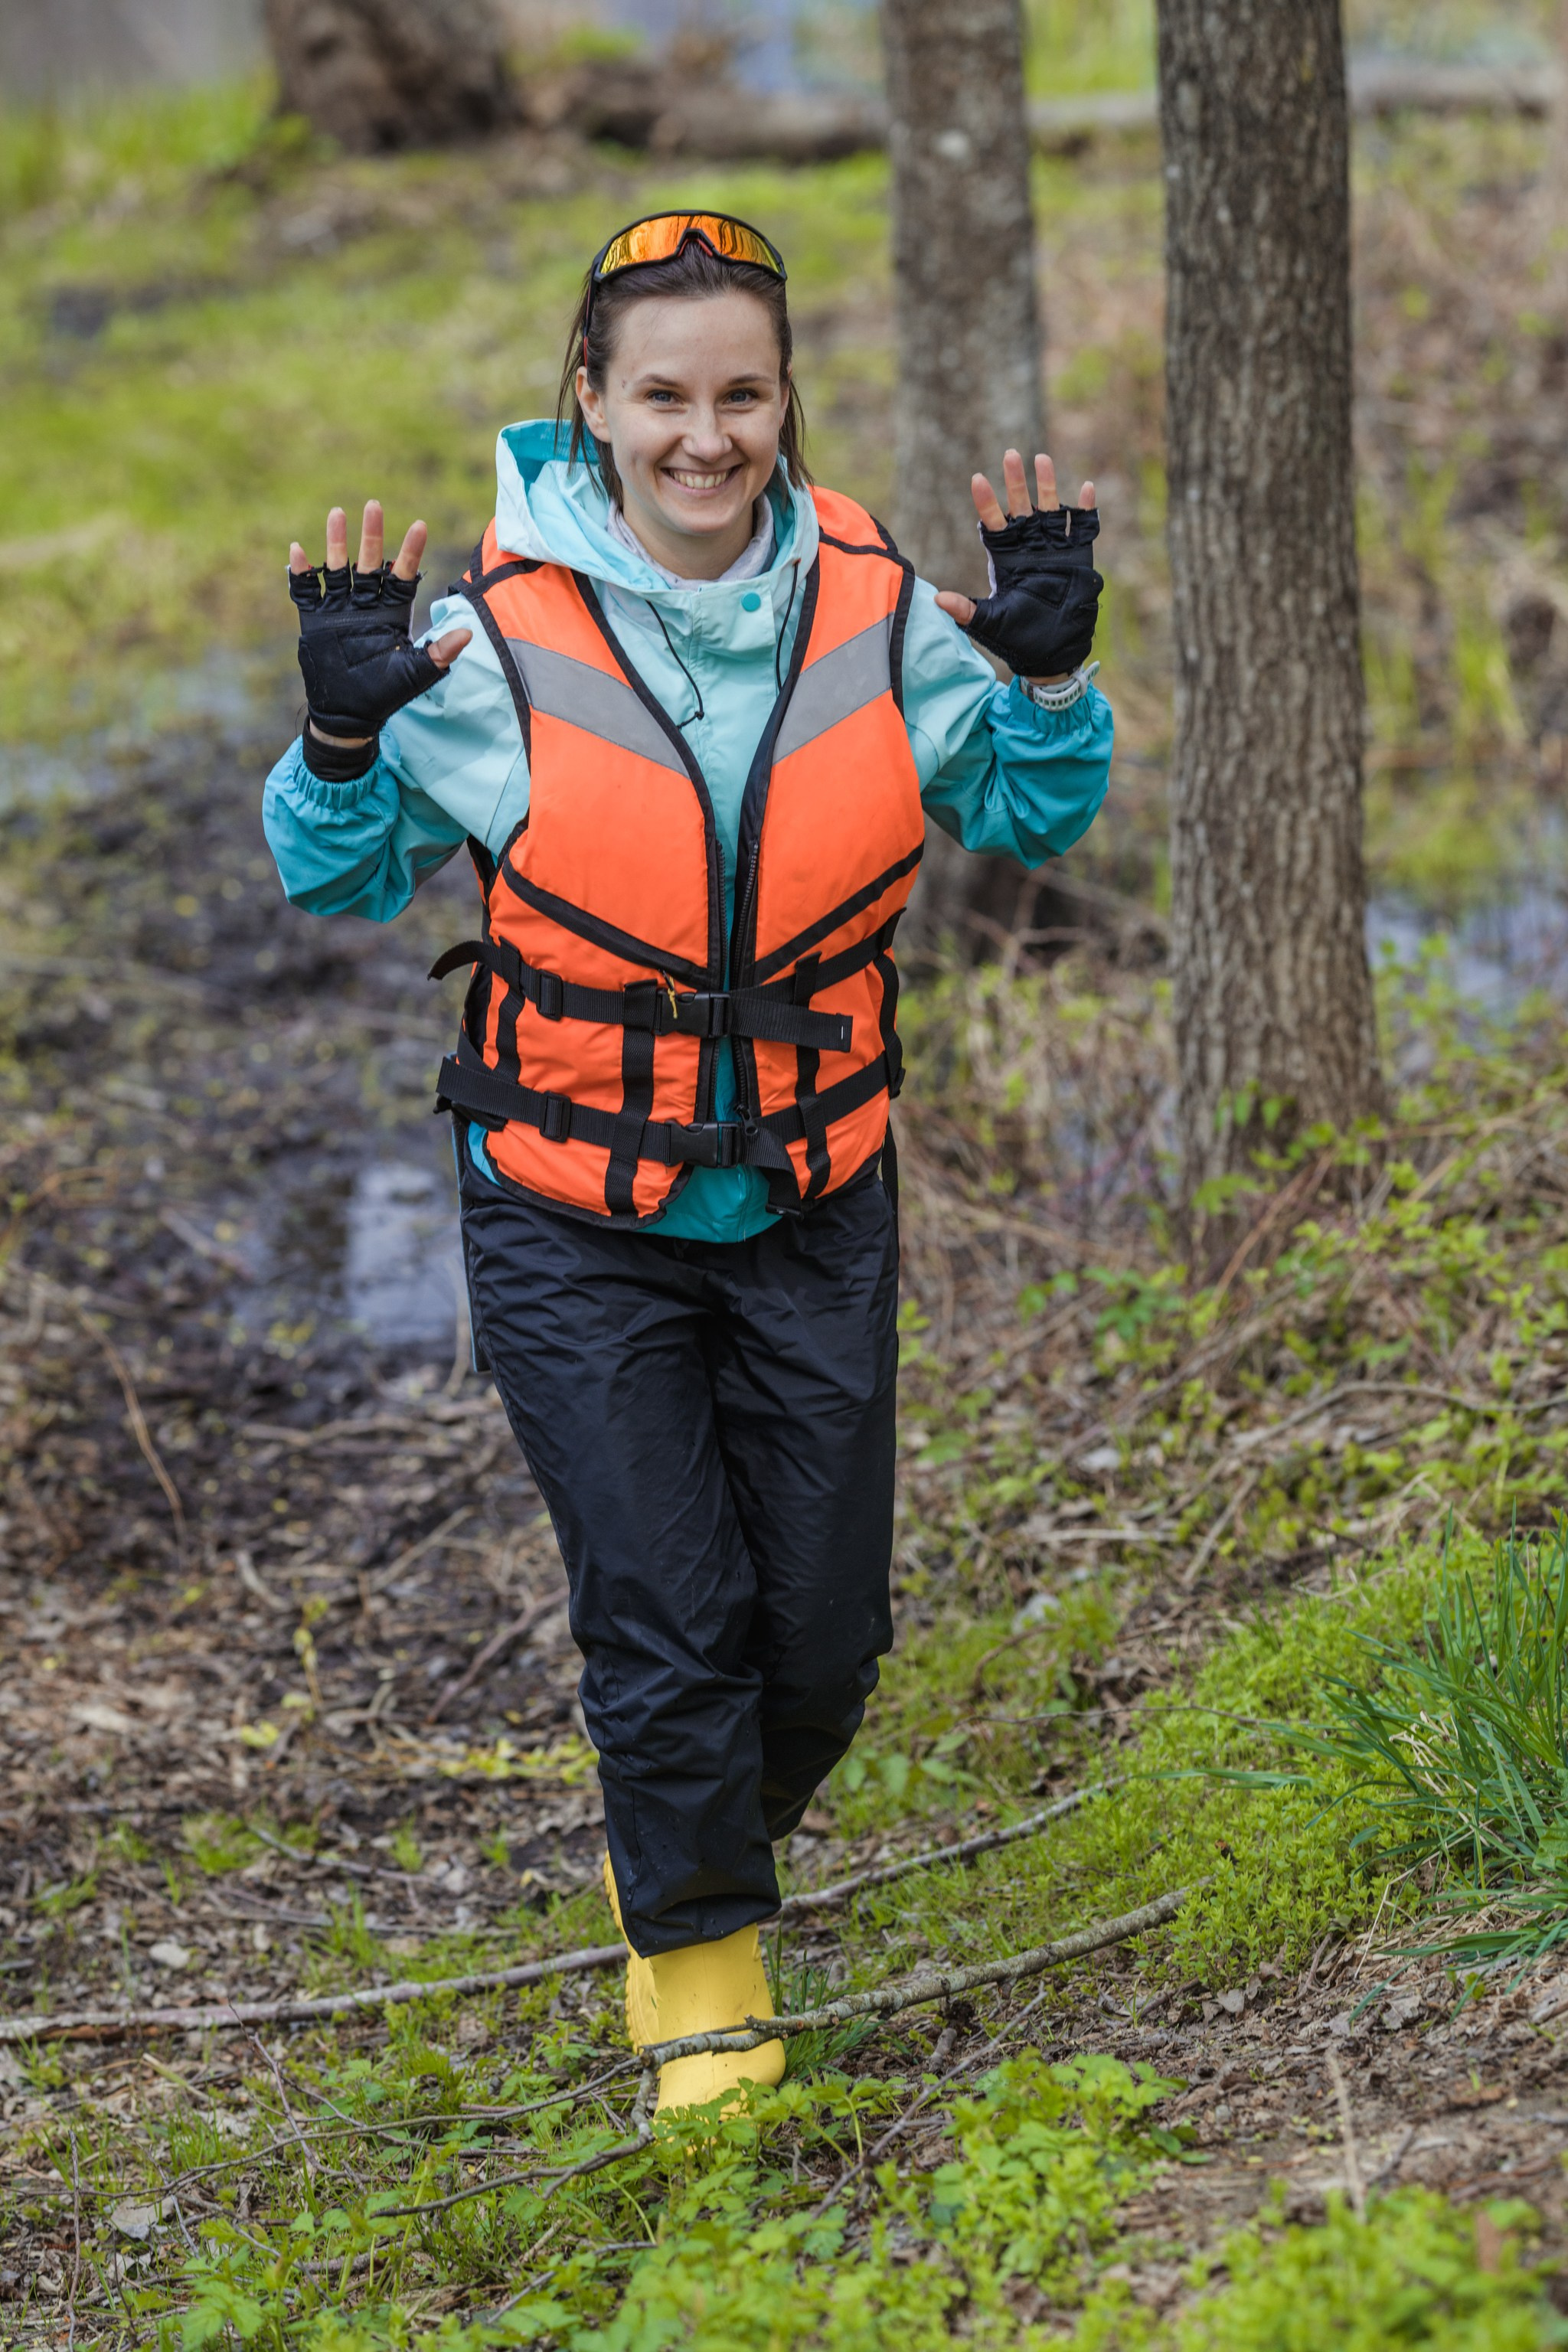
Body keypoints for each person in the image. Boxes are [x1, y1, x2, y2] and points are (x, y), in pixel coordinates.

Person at [263, 211, 1112, 2115]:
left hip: (815, 1195)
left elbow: (1034, 816)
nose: (704, 435)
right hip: (571, 1208)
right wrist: (336, 731)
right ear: (591, 404)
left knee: (818, 1641)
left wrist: (1050, 683)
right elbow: (332, 872)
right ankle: (705, 1985)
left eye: (741, 392)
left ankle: (677, 1831)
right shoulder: (488, 639)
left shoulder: (881, 609)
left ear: (786, 399)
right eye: (662, 395)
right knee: (664, 1610)